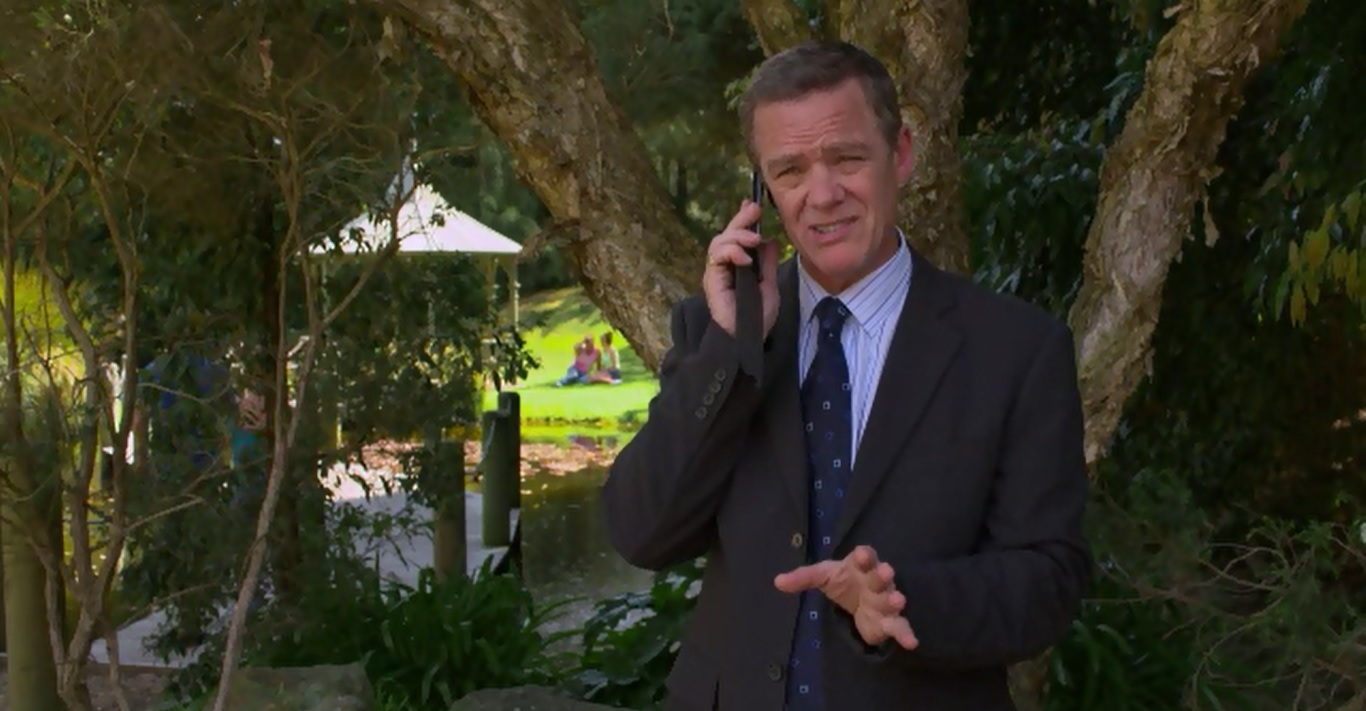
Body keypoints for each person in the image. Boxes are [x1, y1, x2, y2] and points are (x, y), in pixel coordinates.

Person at [601, 40, 1090, 711]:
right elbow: (641, 532)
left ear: (901, 154)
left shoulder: (1015, 349)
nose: (823, 195)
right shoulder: (718, 331)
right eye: (791, 170)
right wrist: (732, 347)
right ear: (762, 192)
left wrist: (901, 598)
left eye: (847, 159)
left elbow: (1050, 582)